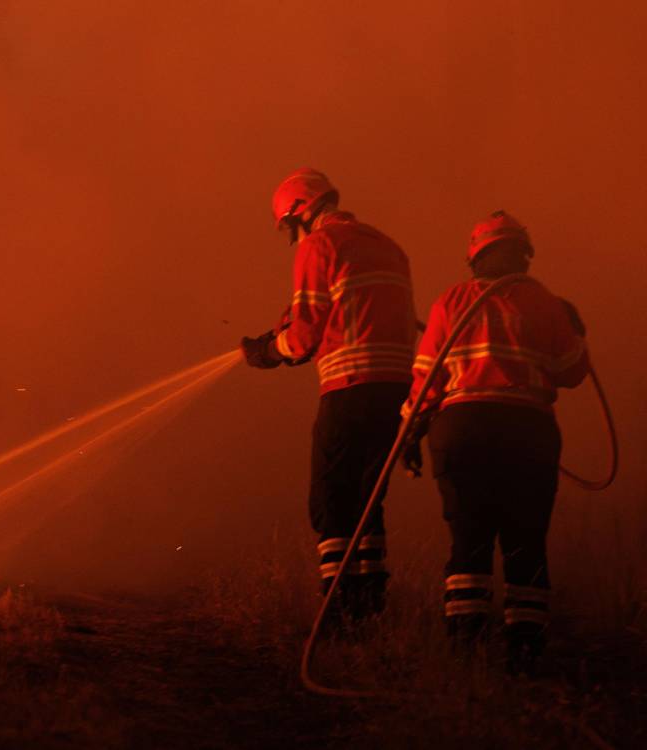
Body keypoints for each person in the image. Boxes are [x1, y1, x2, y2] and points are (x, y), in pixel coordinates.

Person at [401, 210, 588, 674]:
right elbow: (572, 372)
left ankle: (466, 652)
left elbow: (426, 380)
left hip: (462, 430)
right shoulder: (547, 303)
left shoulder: (450, 302)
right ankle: (525, 655)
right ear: (523, 256)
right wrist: (576, 328)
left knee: (469, 538)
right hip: (528, 430)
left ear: (475, 258)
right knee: (526, 539)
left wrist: (410, 430)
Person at [241, 167, 418, 621]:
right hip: (396, 393)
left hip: (348, 388)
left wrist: (269, 350)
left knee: (331, 499)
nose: (291, 236)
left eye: (288, 226)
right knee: (367, 498)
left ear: (301, 212)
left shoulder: (320, 245)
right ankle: (369, 603)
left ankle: (338, 613)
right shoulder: (389, 246)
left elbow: (303, 335)